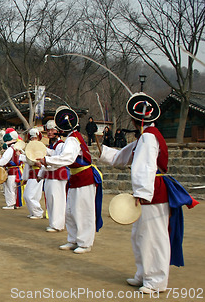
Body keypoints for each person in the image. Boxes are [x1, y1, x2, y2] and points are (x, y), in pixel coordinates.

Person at [99, 93, 198, 294]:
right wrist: (104, 151)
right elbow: (123, 156)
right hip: (149, 191)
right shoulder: (146, 137)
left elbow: (144, 167)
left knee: (153, 236)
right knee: (140, 235)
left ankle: (155, 280)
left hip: (152, 192)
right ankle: (144, 273)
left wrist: (142, 192)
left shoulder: (148, 138)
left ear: (136, 121)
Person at [37, 107, 103, 254]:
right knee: (71, 210)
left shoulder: (73, 139)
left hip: (84, 177)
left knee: (83, 211)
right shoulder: (72, 138)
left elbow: (67, 158)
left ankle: (85, 243)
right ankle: (73, 239)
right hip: (76, 177)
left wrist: (46, 160)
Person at [40, 120, 68, 232]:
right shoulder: (54, 145)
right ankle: (53, 222)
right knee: (51, 199)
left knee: (57, 199)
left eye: (52, 130)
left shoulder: (61, 145)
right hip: (51, 174)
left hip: (58, 174)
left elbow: (58, 158)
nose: (50, 132)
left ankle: (58, 224)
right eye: (48, 130)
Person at [0, 128, 22, 210]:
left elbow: (5, 160)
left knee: (9, 188)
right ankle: (15, 203)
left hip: (11, 171)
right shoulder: (17, 149)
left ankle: (10, 204)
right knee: (14, 188)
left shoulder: (10, 149)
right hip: (16, 171)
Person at [22, 127, 44, 219]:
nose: (33, 139)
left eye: (35, 138)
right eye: (31, 138)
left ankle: (38, 212)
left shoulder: (42, 149)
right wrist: (25, 178)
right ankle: (33, 212)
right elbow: (27, 165)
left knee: (30, 195)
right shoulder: (29, 149)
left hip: (38, 173)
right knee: (29, 195)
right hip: (32, 173)